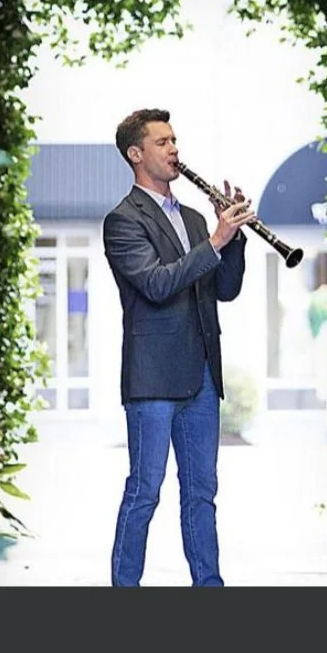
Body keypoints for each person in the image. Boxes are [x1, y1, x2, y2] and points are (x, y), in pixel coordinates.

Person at [103, 108, 254, 587]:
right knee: (144, 491)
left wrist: (234, 235)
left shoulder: (192, 218)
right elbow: (155, 284)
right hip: (153, 380)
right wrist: (214, 240)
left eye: (174, 141)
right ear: (136, 154)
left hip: (202, 377)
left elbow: (224, 289)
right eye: (163, 142)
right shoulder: (123, 220)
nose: (174, 150)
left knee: (201, 493)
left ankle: (209, 588)